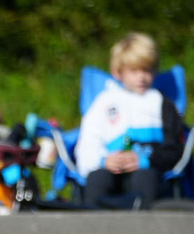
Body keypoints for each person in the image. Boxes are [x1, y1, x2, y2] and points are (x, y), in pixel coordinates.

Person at [76, 32, 185, 210]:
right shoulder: (103, 102)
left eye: (147, 70)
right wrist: (103, 161)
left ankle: (143, 231)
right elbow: (87, 144)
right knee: (97, 179)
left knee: (144, 178)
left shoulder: (163, 104)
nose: (141, 77)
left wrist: (146, 160)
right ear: (118, 72)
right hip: (109, 166)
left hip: (149, 168)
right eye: (134, 71)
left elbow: (174, 149)